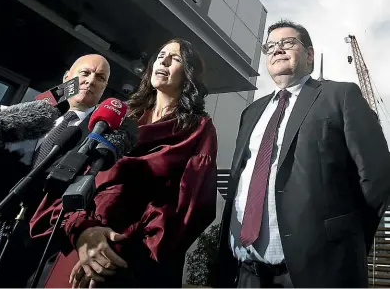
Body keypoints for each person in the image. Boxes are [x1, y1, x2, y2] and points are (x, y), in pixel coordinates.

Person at [214, 19, 390, 288]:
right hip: (247, 272)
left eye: (287, 43)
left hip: (318, 272)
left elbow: (377, 176)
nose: (277, 49)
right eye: (270, 45)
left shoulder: (340, 95)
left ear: (309, 54)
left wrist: (345, 242)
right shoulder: (251, 112)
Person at [29, 38, 218, 288]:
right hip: (82, 244)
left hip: (137, 257)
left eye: (177, 58)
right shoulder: (119, 115)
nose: (165, 60)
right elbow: (74, 174)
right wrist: (83, 231)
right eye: (161, 54)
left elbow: (192, 205)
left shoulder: (198, 129)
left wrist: (115, 247)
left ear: (189, 73)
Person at [0, 54, 111, 288]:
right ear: (67, 78)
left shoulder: (100, 136)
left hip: (32, 244)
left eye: (100, 77)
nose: (90, 81)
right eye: (84, 73)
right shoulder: (25, 118)